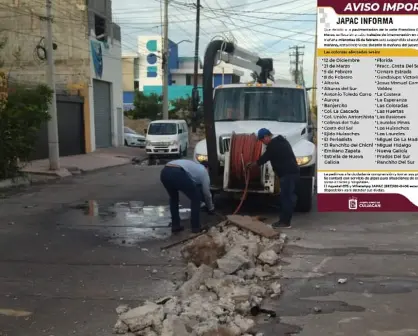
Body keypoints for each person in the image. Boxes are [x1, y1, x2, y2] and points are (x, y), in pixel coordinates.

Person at [247, 128, 299, 228]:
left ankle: (285, 222)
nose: (262, 143)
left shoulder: (274, 145)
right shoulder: (280, 141)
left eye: (262, 140)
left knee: (286, 198)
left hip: (287, 174)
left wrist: (252, 164)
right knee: (287, 197)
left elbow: (264, 158)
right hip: (291, 173)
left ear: (267, 137)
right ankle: (284, 220)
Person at [160, 159, 215, 233]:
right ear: (207, 168)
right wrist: (211, 208)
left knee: (174, 199)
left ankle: (175, 225)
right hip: (177, 172)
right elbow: (207, 193)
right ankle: (196, 227)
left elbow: (190, 184)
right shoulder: (204, 171)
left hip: (165, 172)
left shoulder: (193, 166)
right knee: (196, 198)